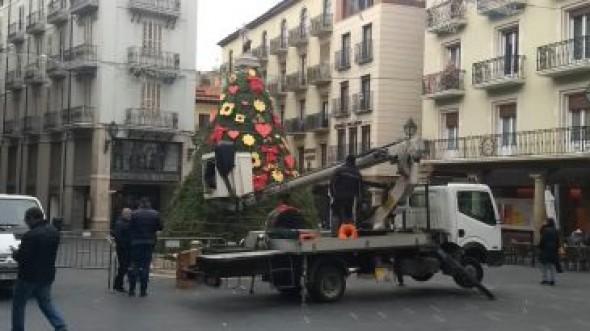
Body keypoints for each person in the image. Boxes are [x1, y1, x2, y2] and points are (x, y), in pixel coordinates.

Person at [11, 207, 67, 331]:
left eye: (27, 220)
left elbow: (22, 257)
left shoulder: (30, 235)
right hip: (47, 275)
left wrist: (15, 253)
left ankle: (17, 329)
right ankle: (61, 326)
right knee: (46, 302)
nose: (26, 223)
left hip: (28, 277)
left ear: (32, 218)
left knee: (19, 304)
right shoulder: (54, 231)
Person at [128, 198, 163, 297]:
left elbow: (130, 227)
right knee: (145, 266)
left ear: (140, 204)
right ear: (149, 204)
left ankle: (132, 289)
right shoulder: (155, 214)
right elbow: (160, 227)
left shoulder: (134, 214)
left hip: (136, 242)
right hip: (149, 242)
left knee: (134, 265)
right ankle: (143, 291)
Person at [329, 155, 363, 234]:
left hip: (339, 196)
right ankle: (348, 232)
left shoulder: (339, 170)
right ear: (354, 162)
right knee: (348, 214)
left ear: (346, 161)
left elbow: (332, 182)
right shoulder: (357, 173)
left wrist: (333, 194)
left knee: (336, 213)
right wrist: (358, 198)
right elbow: (360, 189)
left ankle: (335, 232)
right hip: (350, 198)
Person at [111, 208, 132, 293]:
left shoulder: (125, 222)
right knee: (123, 267)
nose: (130, 216)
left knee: (124, 266)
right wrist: (124, 245)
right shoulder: (120, 223)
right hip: (123, 249)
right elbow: (117, 235)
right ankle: (118, 285)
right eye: (129, 214)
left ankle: (119, 284)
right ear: (124, 214)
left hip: (126, 248)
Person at [539, 218, 559, 286]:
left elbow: (542, 239)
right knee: (552, 265)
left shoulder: (545, 230)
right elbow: (557, 240)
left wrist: (540, 247)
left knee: (544, 264)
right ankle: (552, 279)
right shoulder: (556, 230)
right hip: (553, 249)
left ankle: (545, 279)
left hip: (545, 249)